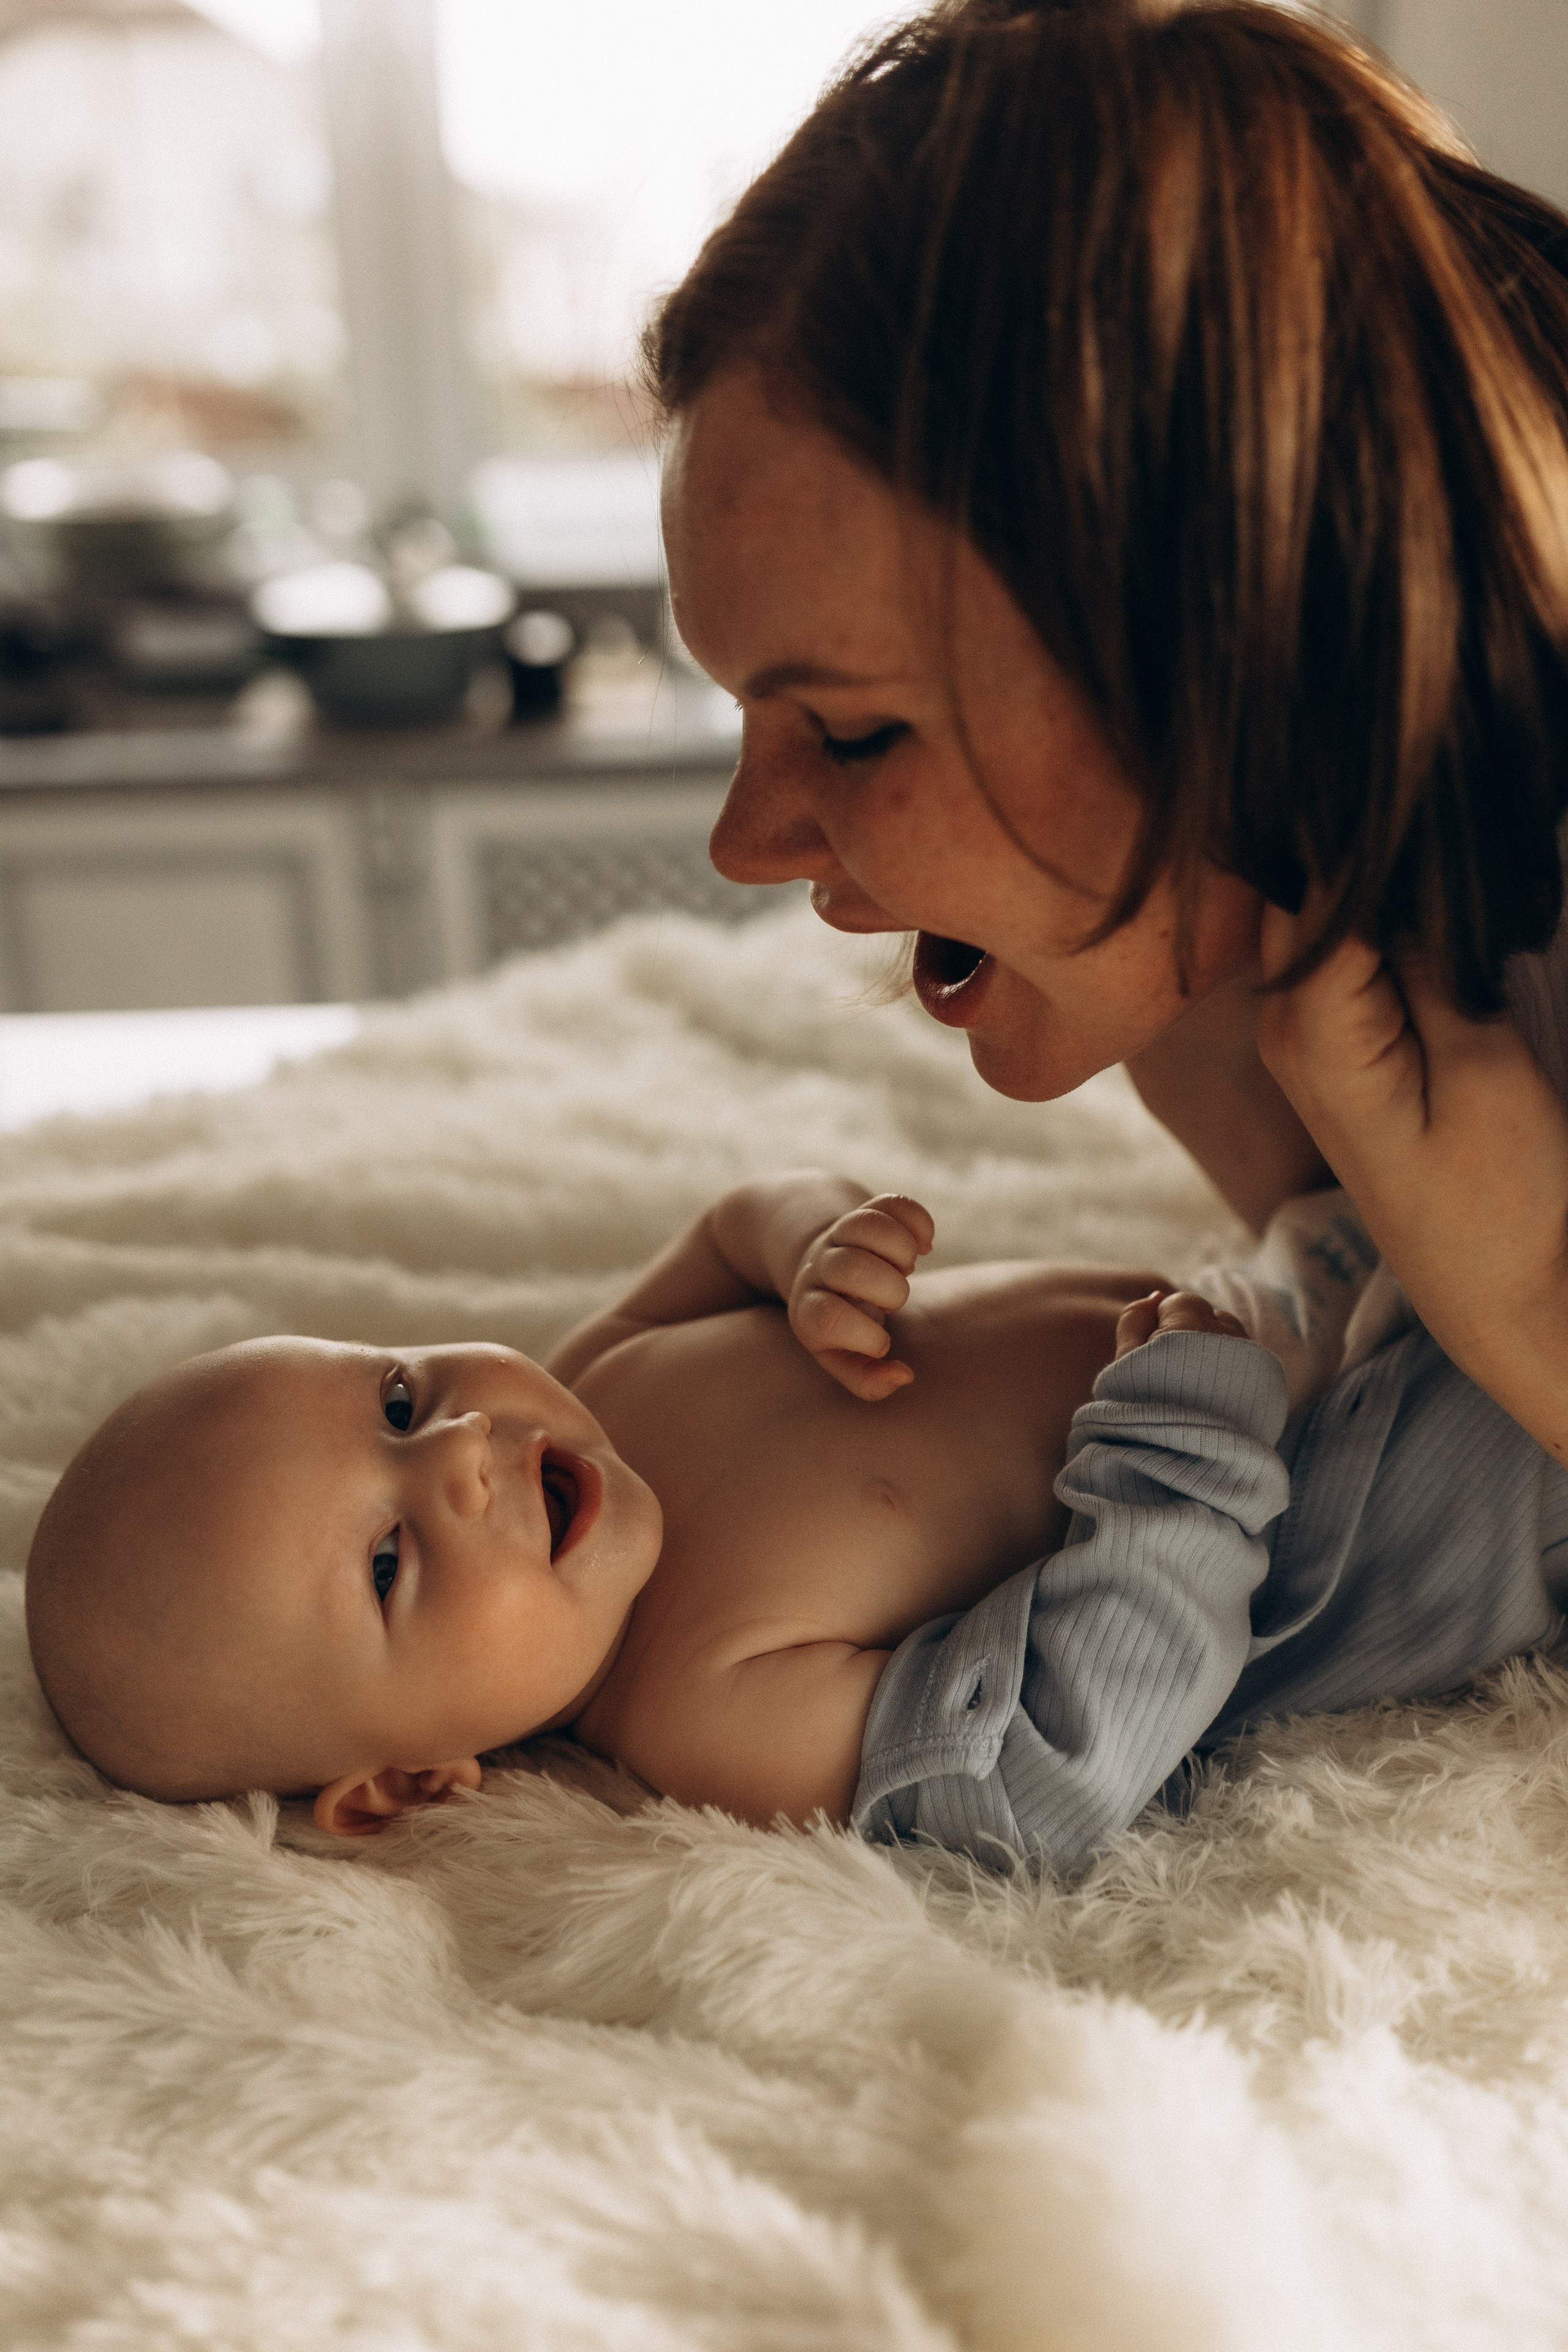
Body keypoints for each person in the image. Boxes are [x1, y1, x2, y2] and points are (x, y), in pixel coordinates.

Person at [648, 0, 1568, 1472]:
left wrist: (1527, 1302)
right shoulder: (1255, 946)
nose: (743, 844)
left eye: (854, 732)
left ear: (1243, 631)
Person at [23, 1172, 1568, 1868]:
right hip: (1339, 1513)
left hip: (1306, 1288)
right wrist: (1191, 1441)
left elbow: (722, 1230)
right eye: (387, 1560)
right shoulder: (710, 1710)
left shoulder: (592, 1377)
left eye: (395, 1401)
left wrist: (809, 1239)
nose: (466, 1456)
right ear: (410, 1779)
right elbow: (1049, 1765)